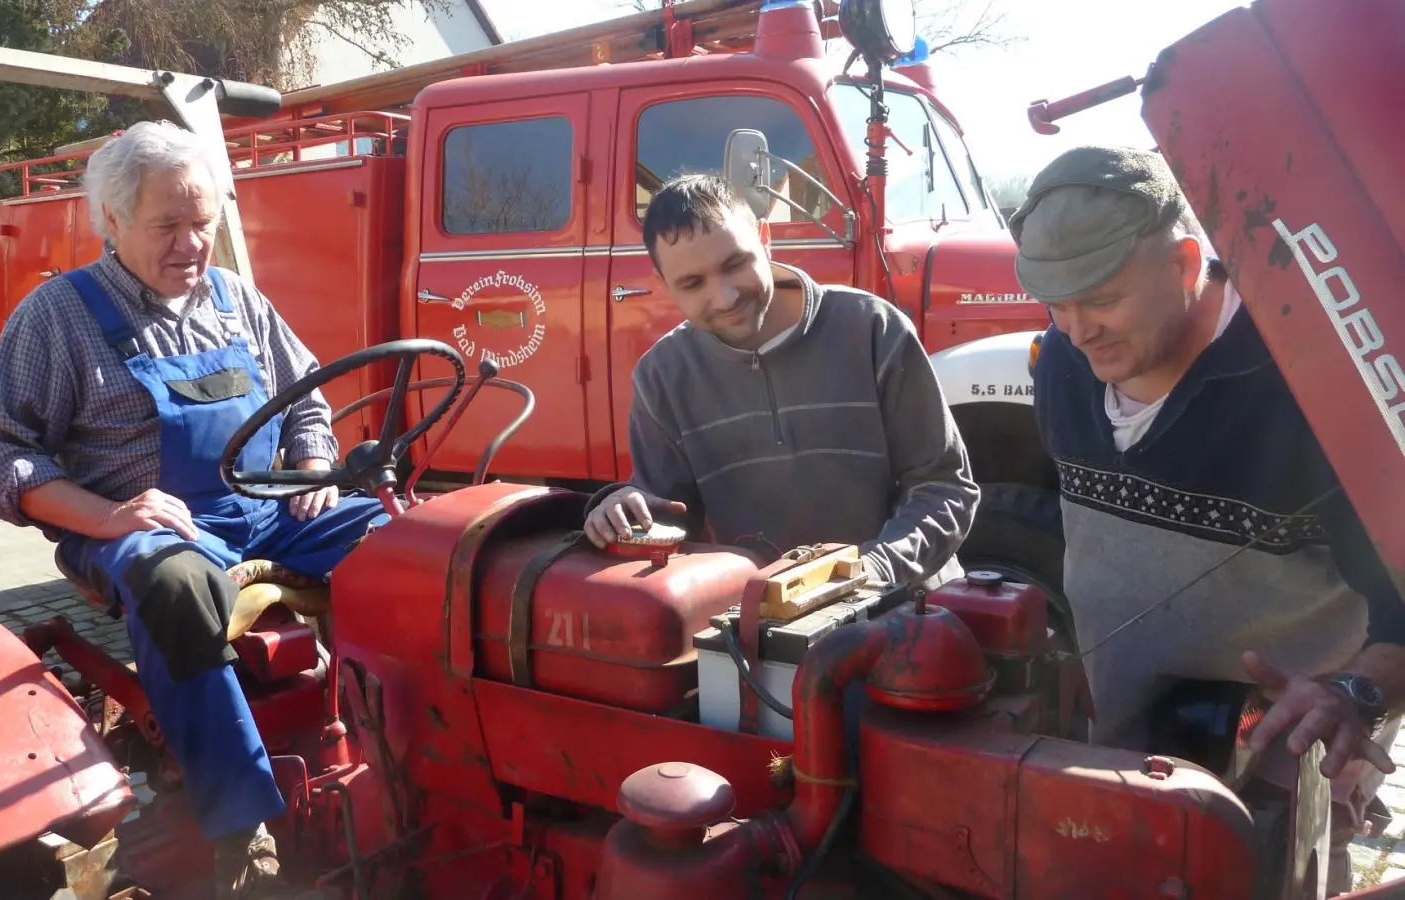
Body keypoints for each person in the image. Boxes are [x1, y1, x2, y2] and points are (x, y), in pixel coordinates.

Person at [0, 121, 383, 900]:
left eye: (203, 223)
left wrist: (315, 470)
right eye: (167, 226)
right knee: (177, 587)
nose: (191, 244)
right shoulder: (58, 317)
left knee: (407, 542)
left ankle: (399, 747)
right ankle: (241, 829)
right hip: (141, 529)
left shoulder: (236, 298)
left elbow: (305, 399)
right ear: (111, 222)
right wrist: (109, 517)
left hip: (267, 508)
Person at [1015, 144, 1405, 895]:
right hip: (1115, 761)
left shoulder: (1311, 382)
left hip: (1275, 787)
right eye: (1054, 304)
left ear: (1186, 263)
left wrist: (1354, 695)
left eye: (1098, 297)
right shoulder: (1065, 362)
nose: (1075, 330)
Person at [582, 173, 978, 597]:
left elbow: (944, 488)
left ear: (765, 237)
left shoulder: (872, 330)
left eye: (735, 263)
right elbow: (668, 517)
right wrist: (621, 512)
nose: (725, 296)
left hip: (905, 612)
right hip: (761, 634)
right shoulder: (661, 376)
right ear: (665, 286)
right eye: (693, 284)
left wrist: (869, 571)